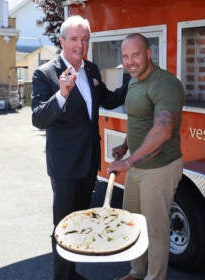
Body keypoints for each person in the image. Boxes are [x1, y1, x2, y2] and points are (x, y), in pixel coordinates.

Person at [31, 15, 127, 280]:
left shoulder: (92, 70)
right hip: (64, 165)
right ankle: (62, 277)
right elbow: (38, 118)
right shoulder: (46, 73)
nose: (80, 44)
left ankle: (71, 272)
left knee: (81, 222)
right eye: (74, 39)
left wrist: (133, 78)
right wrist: (61, 94)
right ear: (62, 41)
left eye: (85, 39)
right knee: (63, 225)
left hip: (89, 162)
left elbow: (108, 99)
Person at [107, 33, 185, 280]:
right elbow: (140, 121)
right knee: (132, 223)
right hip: (138, 166)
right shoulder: (134, 81)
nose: (130, 61)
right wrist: (124, 146)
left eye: (136, 55)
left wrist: (128, 161)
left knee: (155, 229)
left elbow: (162, 130)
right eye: (126, 56)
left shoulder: (165, 84)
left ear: (148, 54)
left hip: (159, 168)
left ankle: (154, 277)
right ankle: (137, 271)